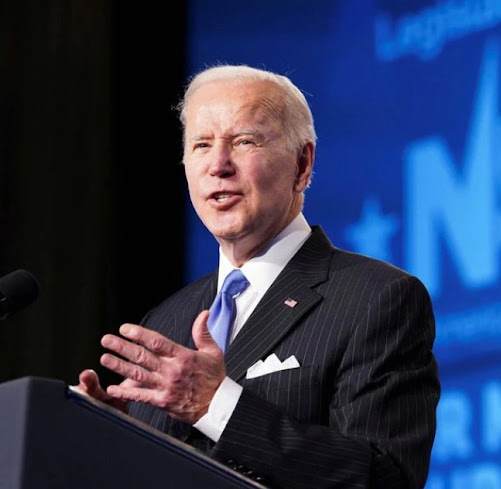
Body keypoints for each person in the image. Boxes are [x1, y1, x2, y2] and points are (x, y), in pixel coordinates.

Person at [76, 64, 440, 489]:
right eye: (201, 145)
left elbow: (384, 479)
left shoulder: (376, 299)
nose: (218, 165)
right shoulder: (165, 321)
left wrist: (216, 405)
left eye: (244, 141)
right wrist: (122, 442)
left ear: (302, 165)